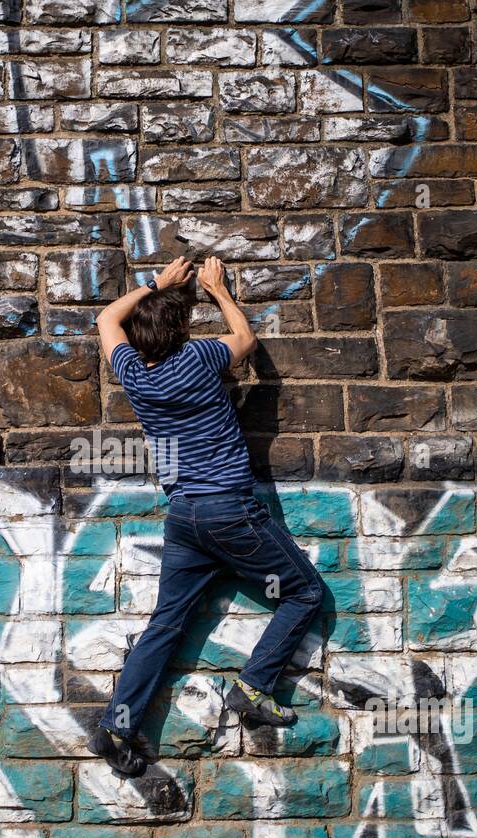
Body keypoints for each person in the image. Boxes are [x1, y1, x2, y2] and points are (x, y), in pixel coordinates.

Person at [87, 255, 325, 777]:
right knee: (305, 593)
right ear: (179, 332)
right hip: (230, 510)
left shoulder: (134, 375)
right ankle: (253, 687)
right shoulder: (198, 359)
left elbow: (106, 320)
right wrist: (217, 289)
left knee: (166, 623)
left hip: (185, 516)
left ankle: (117, 726)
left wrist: (157, 283)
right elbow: (246, 340)